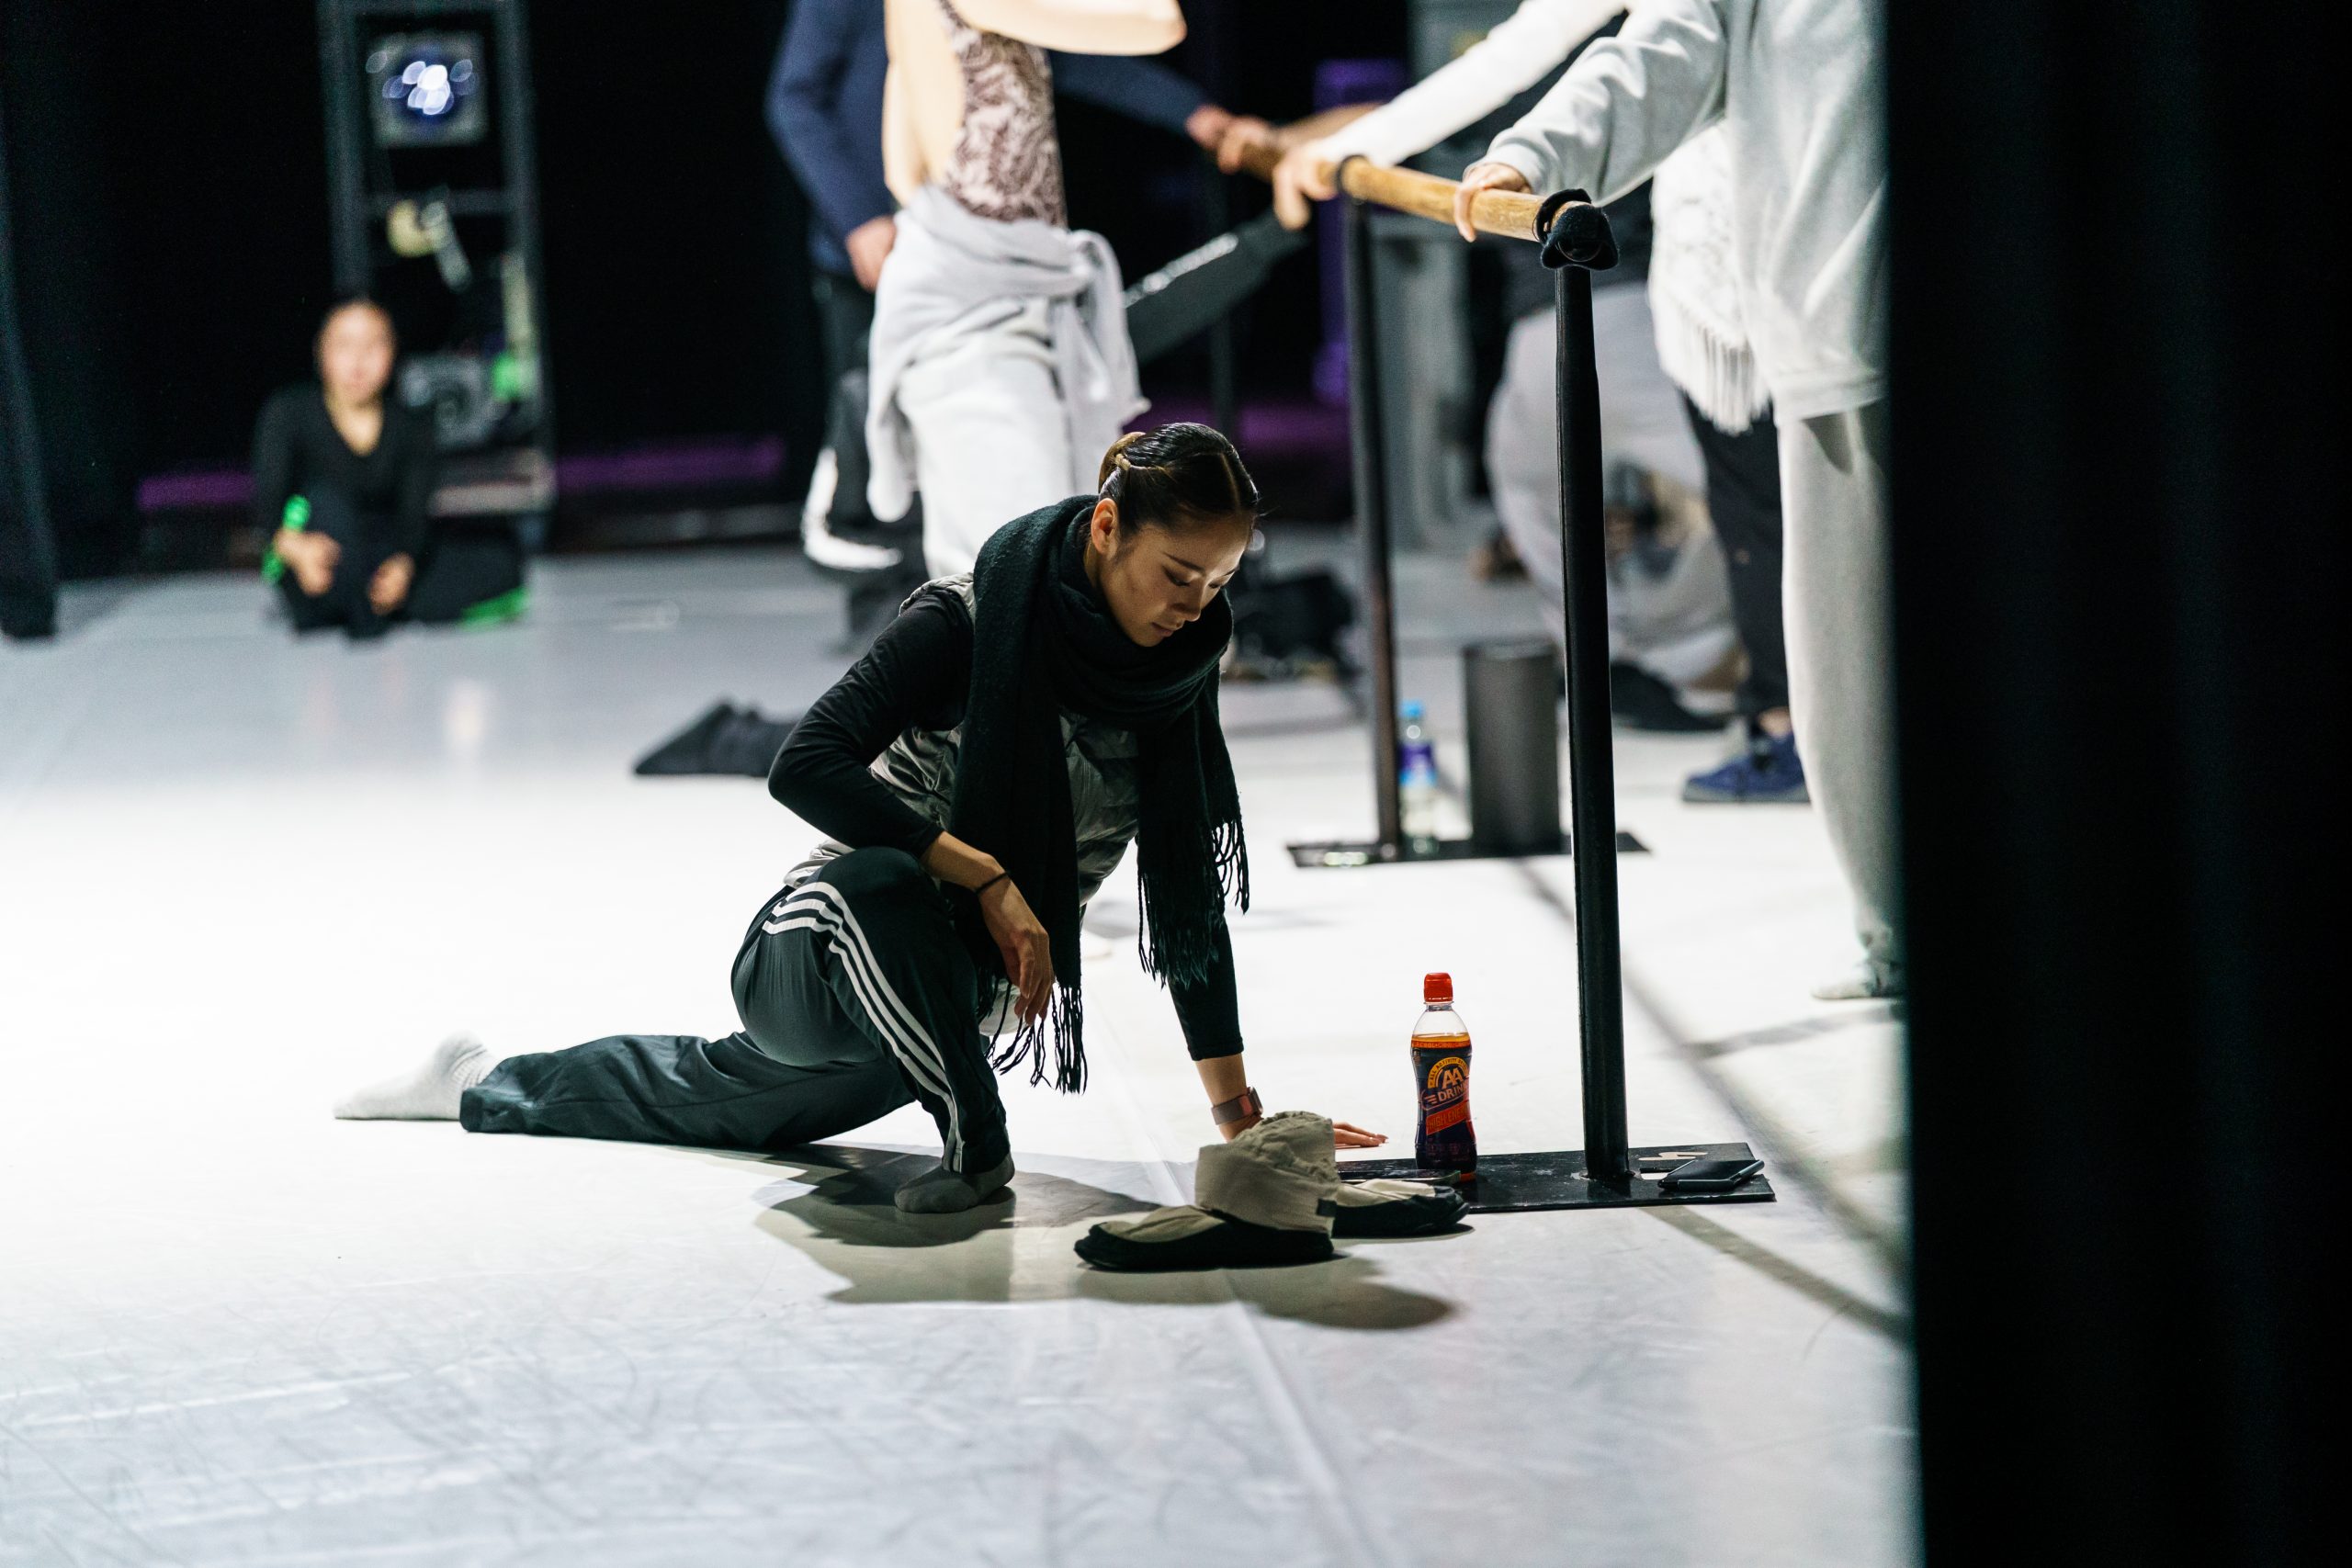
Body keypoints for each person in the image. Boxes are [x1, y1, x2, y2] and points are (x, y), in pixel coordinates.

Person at [334, 423, 1387, 1209]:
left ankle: (475, 1083)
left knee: (707, 1100)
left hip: (945, 1013)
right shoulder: (970, 620)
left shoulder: (1172, 674)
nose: (1196, 606)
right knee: (884, 882)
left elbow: (1187, 902)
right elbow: (805, 764)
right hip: (824, 953)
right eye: (1178, 574)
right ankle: (977, 1144)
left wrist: (1238, 1117)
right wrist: (983, 873)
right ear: (1108, 528)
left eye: (1219, 581)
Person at [1452, 0, 1894, 996]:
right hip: (1840, 324)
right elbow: (1664, 47)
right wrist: (1535, 154)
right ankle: (1899, 930)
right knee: (1849, 656)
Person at [1272, 0, 1800, 788]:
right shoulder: (1597, 44)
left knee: (1762, 497)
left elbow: (1514, 60)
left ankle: (1716, 677)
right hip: (1666, 296)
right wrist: (1343, 144)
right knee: (1729, 492)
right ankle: (1663, 662)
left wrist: (1349, 144)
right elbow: (1495, 64)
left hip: (1668, 298)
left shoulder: (1617, 46)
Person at [768, 0, 1270, 573]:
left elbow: (1069, 56)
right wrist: (859, 217)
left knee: (1016, 526)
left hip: (993, 271)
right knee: (1001, 519)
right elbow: (1158, 21)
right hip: (953, 281)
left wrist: (1194, 113)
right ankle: (853, 531)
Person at [865, 0, 1182, 579]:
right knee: (1026, 575)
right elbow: (1161, 22)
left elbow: (902, 170)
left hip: (978, 306)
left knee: (1020, 575)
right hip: (978, 329)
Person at [252, 299, 525, 639]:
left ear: (393, 352)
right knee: (325, 505)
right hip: (317, 549)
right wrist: (297, 549)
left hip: (380, 551)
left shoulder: (411, 426)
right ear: (321, 351)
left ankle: (371, 603)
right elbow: (268, 506)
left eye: (373, 345)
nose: (358, 361)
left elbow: (414, 516)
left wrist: (403, 567)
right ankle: (361, 604)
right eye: (345, 345)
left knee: (498, 561)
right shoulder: (289, 413)